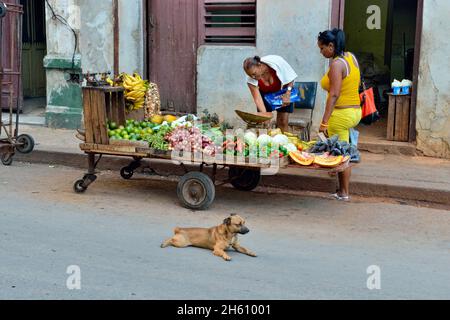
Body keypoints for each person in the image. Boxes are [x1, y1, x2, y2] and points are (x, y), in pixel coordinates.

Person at [317, 28, 362, 201]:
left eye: (322, 48)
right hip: (355, 111)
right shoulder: (350, 57)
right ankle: (341, 190)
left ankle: (344, 192)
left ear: (331, 45)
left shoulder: (336, 65)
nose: (321, 52)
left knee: (342, 154)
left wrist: (324, 122)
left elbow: (334, 94)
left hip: (341, 114)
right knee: (345, 150)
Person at [243, 55, 298, 132]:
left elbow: (290, 77)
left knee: (283, 122)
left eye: (254, 73)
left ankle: (284, 142)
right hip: (264, 95)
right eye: (250, 75)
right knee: (264, 124)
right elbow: (257, 98)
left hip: (283, 91)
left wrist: (287, 94)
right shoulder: (250, 77)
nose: (253, 77)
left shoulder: (277, 62)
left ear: (259, 65)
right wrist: (265, 115)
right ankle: (266, 141)